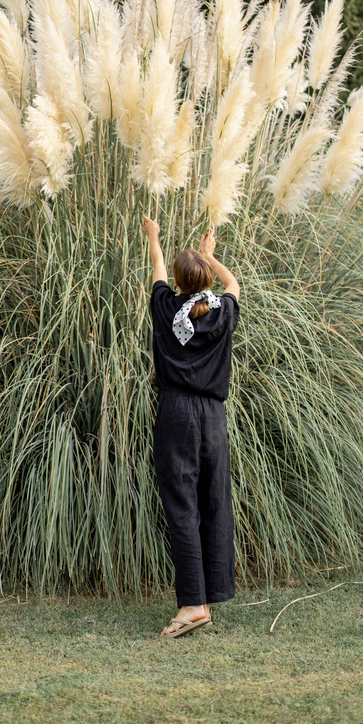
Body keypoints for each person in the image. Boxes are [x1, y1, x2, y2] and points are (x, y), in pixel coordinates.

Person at [142, 214, 240, 638]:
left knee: (182, 505)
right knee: (213, 502)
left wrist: (155, 238)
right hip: (213, 419)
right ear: (206, 282)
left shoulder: (166, 309)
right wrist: (211, 257)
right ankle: (208, 596)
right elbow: (233, 286)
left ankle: (192, 605)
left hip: (177, 413)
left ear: (179, 284)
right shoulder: (222, 312)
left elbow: (157, 273)